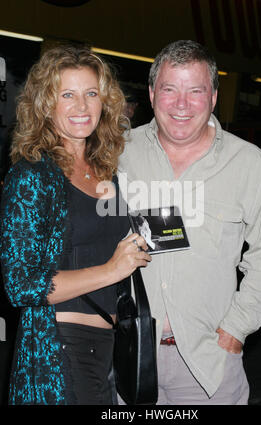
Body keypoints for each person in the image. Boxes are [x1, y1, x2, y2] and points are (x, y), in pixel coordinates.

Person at [118, 40, 261, 404]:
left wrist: (235, 331)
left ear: (213, 97)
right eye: (170, 89)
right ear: (151, 94)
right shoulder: (118, 154)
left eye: (195, 91)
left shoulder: (248, 164)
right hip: (127, 357)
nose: (182, 104)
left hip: (208, 364)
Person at [0, 45, 151, 405]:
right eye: (67, 94)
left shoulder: (106, 171)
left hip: (113, 347)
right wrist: (111, 269)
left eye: (91, 94)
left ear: (105, 102)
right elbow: (21, 286)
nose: (81, 107)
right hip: (62, 348)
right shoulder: (32, 175)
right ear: (45, 104)